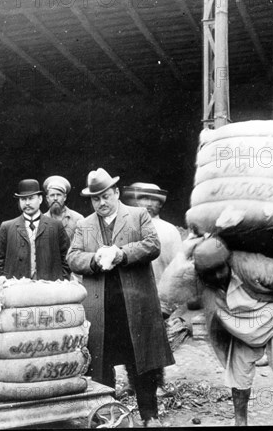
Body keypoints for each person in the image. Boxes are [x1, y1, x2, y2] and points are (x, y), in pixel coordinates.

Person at [67, 168, 174, 428]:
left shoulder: (138, 216)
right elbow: (72, 257)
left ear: (116, 193)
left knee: (142, 362)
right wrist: (93, 259)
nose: (101, 203)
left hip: (135, 304)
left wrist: (121, 254)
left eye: (105, 196)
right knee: (101, 363)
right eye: (95, 199)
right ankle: (108, 416)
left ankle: (149, 415)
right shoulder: (84, 225)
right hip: (100, 307)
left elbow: (152, 245)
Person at [194, 236, 273, 426]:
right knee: (238, 376)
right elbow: (169, 292)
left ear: (228, 261)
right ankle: (240, 422)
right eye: (210, 273)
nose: (218, 276)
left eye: (221, 269)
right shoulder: (198, 278)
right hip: (241, 327)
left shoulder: (251, 265)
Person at [0, 179, 70, 281]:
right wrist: (2, 278)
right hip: (18, 288)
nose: (27, 203)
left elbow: (67, 257)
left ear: (40, 199)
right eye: (23, 199)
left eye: (31, 198)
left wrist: (62, 279)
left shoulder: (55, 226)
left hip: (49, 289)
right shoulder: (7, 227)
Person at [122, 182, 182, 286]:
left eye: (154, 199)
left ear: (160, 203)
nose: (149, 203)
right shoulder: (123, 226)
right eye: (144, 198)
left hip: (162, 292)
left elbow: (178, 268)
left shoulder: (170, 230)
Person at [43, 175, 84, 242]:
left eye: (58, 195)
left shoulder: (78, 219)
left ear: (65, 197)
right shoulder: (41, 221)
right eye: (52, 195)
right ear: (47, 198)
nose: (55, 198)